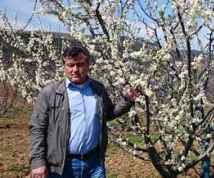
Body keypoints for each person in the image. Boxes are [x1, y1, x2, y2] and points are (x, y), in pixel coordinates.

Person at [30, 46, 139, 178]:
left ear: (88, 66)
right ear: (64, 66)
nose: (75, 69)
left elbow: (108, 113)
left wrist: (127, 100)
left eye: (80, 64)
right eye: (70, 65)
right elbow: (37, 128)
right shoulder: (50, 93)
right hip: (62, 165)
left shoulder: (98, 89)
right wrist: (37, 161)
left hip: (94, 164)